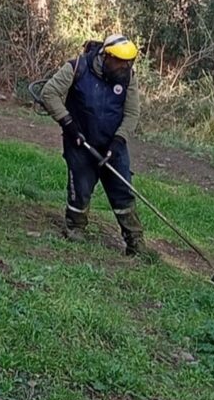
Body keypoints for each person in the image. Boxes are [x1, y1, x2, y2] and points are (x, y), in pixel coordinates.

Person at [39, 34, 145, 256]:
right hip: (80, 142)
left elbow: (132, 113)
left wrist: (118, 141)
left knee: (122, 192)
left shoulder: (128, 78)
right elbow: (49, 93)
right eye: (120, 61)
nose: (125, 67)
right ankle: (76, 227)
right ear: (106, 56)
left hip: (112, 145)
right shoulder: (77, 67)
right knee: (81, 188)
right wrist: (68, 124)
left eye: (129, 62)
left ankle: (135, 241)